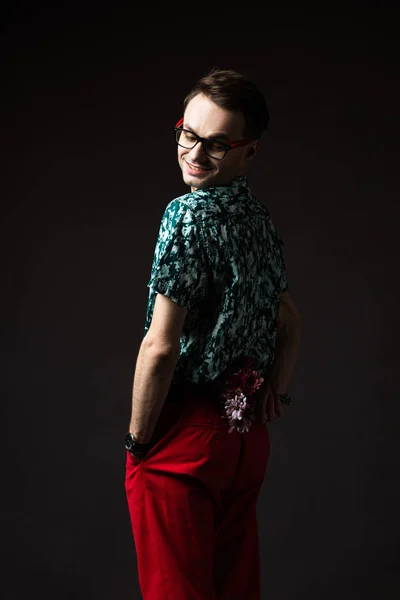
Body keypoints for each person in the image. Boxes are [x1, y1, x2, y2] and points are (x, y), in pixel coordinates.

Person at [124, 67, 302, 600]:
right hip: (244, 438)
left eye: (218, 145)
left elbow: (160, 345)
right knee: (235, 588)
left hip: (185, 436)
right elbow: (289, 320)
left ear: (250, 151)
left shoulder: (187, 215)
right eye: (189, 134)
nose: (196, 154)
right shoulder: (259, 218)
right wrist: (277, 390)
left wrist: (137, 442)